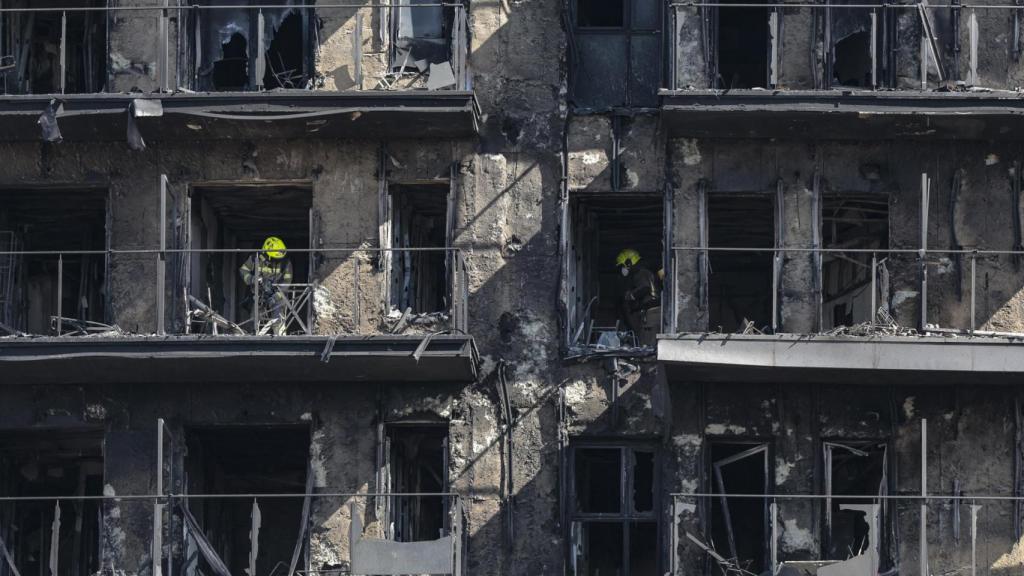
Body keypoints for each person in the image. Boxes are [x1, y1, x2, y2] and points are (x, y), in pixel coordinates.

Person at [239, 236, 293, 335]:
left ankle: (280, 338)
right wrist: (251, 279)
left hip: (277, 294)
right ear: (267, 254)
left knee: (278, 319)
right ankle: (253, 338)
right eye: (275, 257)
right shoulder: (255, 258)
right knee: (254, 319)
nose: (278, 260)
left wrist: (275, 297)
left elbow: (287, 282)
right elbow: (243, 270)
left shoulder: (285, 262)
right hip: (259, 293)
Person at [616, 248, 660, 337]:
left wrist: (631, 295)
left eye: (622, 266)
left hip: (651, 312)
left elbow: (645, 288)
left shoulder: (640, 273)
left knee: (646, 343)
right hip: (651, 311)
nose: (622, 269)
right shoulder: (643, 272)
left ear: (628, 263)